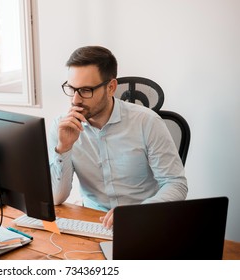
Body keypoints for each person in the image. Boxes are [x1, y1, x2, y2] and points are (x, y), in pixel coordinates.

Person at [48, 46, 187, 229]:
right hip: (92, 221)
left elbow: (175, 184)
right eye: (72, 89)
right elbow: (57, 198)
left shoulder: (147, 122)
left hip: (142, 221)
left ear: (111, 87)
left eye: (86, 90)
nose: (75, 100)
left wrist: (137, 213)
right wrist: (63, 148)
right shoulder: (63, 127)